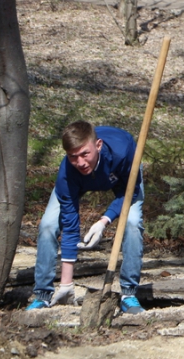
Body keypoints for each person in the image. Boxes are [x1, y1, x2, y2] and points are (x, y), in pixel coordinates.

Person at [25, 121, 146, 315]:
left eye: (85, 154)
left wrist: (104, 221)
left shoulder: (124, 151)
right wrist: (67, 282)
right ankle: (43, 295)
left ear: (97, 145)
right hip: (78, 182)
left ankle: (128, 294)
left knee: (132, 223)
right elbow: (70, 223)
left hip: (123, 181)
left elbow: (129, 193)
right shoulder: (68, 172)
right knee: (48, 225)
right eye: (73, 156)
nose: (80, 162)